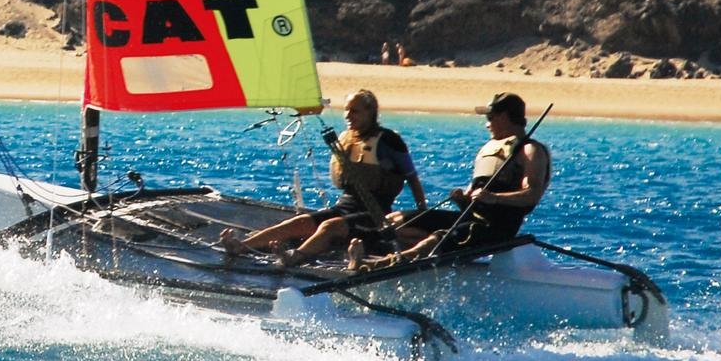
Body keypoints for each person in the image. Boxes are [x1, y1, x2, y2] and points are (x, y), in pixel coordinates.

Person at [219, 90, 426, 264]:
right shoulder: (345, 138)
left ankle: (294, 257)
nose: (348, 115)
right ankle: (242, 246)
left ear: (370, 113)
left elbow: (412, 178)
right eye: (346, 109)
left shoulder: (390, 141)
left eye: (354, 111)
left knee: (329, 226)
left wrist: (421, 215)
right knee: (299, 222)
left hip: (374, 214)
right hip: (345, 207)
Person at [386, 92, 552, 263]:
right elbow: (474, 202)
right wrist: (461, 199)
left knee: (441, 237)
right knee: (396, 220)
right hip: (470, 219)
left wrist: (493, 198)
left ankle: (387, 263)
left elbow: (532, 194)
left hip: (495, 229)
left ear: (504, 117)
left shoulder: (530, 150)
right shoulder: (491, 149)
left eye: (490, 118)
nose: (487, 125)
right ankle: (395, 259)